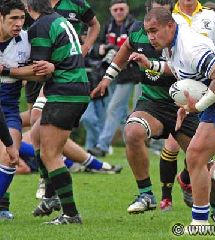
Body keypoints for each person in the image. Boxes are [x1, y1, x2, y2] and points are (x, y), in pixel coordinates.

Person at [129, 7, 215, 226]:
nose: (150, 37)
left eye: (154, 30)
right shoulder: (172, 45)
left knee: (195, 156)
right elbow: (178, 71)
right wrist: (151, 65)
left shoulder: (190, 47)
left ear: (170, 26)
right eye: (147, 32)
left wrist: (198, 106)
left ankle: (200, 222)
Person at [91, 0, 199, 214]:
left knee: (201, 159)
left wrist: (151, 65)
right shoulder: (138, 31)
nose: (160, 10)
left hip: (185, 106)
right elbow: (125, 51)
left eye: (166, 6)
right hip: (152, 103)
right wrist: (107, 79)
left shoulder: (185, 34)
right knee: (132, 131)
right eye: (156, 5)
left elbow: (182, 69)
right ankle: (146, 194)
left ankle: (193, 184)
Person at [159, 0, 215, 211]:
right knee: (177, 147)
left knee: (205, 156)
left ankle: (204, 196)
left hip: (213, 91)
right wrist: (152, 67)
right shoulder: (168, 19)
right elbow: (170, 62)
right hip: (183, 92)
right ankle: (167, 198)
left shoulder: (211, 16)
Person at [24, 0, 89, 224]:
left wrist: (9, 71)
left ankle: (70, 214)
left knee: (50, 155)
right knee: (36, 135)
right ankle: (52, 197)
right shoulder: (59, 20)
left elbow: (40, 72)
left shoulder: (40, 26)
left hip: (64, 91)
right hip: (75, 88)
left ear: (27, 6)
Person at [0, 0, 51, 220]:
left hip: (10, 106)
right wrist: (24, 71)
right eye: (13, 18)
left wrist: (8, 71)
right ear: (0, 18)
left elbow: (41, 74)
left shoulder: (26, 41)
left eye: (22, 18)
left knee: (10, 155)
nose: (19, 23)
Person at [87, 0, 141, 157]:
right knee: (122, 113)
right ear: (111, 10)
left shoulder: (134, 25)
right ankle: (133, 143)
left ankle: (102, 146)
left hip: (129, 74)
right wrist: (102, 48)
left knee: (113, 108)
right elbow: (96, 46)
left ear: (127, 9)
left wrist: (113, 49)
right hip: (110, 73)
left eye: (121, 9)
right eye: (115, 9)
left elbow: (135, 46)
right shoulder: (108, 25)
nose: (118, 12)